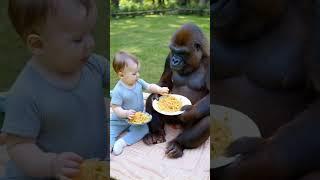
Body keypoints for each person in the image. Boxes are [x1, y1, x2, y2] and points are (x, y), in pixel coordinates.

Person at [1, 0, 109, 179]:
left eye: (90, 32)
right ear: (38, 45)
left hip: (91, 167)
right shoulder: (25, 92)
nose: (90, 44)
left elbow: (118, 78)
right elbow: (18, 147)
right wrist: (50, 165)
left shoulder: (92, 65)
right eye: (78, 39)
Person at [110, 51, 169, 155]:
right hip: (120, 119)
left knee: (144, 130)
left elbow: (149, 87)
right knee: (111, 132)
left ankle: (123, 142)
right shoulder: (118, 91)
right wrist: (125, 113)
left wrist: (159, 89)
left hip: (137, 119)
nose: (138, 75)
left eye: (138, 72)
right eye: (134, 73)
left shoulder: (138, 82)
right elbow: (115, 107)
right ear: (121, 74)